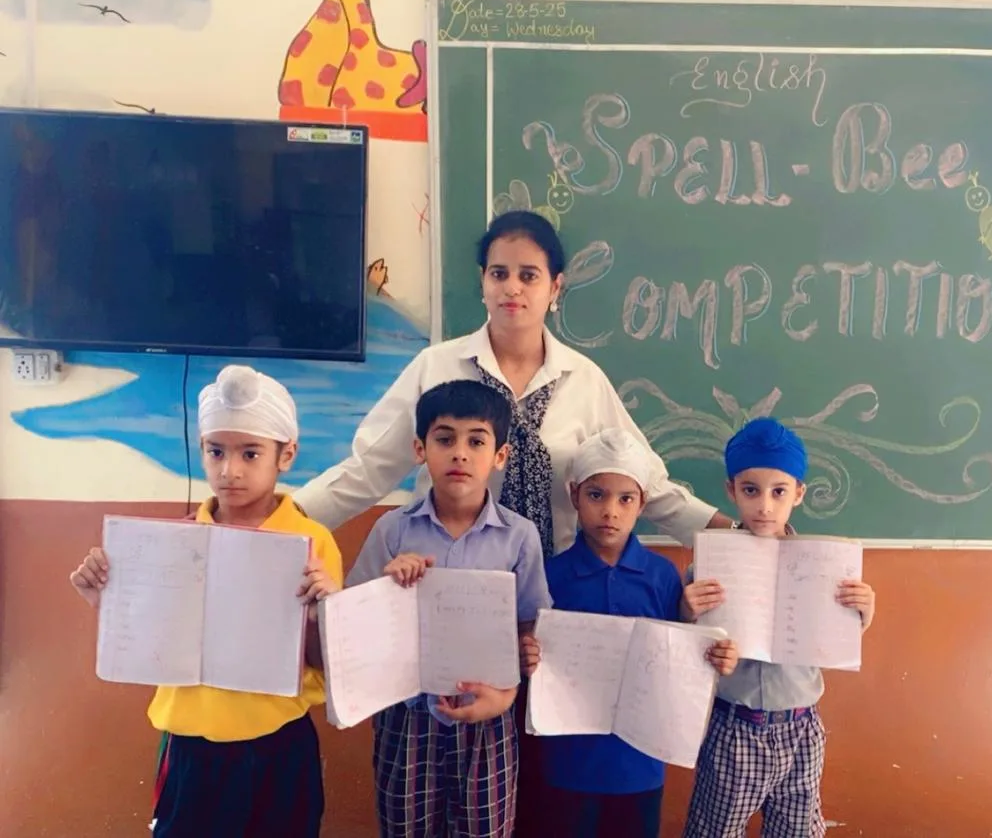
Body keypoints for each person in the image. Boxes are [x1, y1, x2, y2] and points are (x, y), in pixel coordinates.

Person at [291, 209, 732, 835]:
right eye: (499, 273)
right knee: (457, 762)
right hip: (453, 601)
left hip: (553, 607)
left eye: (530, 275)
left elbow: (645, 483)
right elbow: (369, 469)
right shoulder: (438, 368)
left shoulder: (585, 381)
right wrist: (282, 518)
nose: (513, 288)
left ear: (556, 287)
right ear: (482, 282)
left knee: (534, 787)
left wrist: (728, 532)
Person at [68, 365, 343, 838]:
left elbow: (326, 664)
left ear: (286, 455)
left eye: (250, 453)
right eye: (216, 451)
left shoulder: (311, 543)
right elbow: (150, 643)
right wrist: (110, 602)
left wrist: (321, 616)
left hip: (279, 745)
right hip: (193, 748)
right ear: (202, 450)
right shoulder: (173, 543)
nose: (229, 470)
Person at [344, 379, 551, 838]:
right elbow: (351, 624)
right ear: (420, 449)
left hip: (488, 715)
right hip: (406, 714)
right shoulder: (393, 531)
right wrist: (386, 587)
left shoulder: (519, 536)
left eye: (476, 441)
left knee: (485, 829)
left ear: (500, 456)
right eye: (444, 439)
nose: (460, 453)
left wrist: (515, 681)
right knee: (404, 827)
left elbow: (530, 625)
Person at [518, 428, 740, 838]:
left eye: (625, 499)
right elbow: (531, 649)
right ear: (574, 495)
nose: (610, 511)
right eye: (596, 495)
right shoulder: (551, 575)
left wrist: (712, 653)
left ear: (642, 503)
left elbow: (678, 659)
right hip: (569, 758)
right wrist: (527, 655)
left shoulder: (663, 576)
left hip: (642, 757)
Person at [680, 418, 877, 838]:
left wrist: (863, 611)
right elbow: (688, 651)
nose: (765, 506)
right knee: (715, 830)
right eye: (751, 490)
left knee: (796, 830)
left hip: (801, 725)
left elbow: (832, 638)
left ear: (799, 493)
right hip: (735, 726)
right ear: (732, 490)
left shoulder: (823, 565)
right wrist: (687, 612)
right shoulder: (710, 565)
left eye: (779, 491)